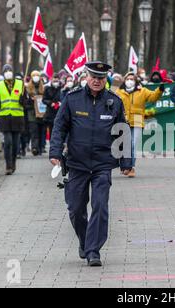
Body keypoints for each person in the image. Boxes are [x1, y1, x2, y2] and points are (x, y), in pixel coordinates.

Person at [50, 61, 132, 267]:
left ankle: (93, 251)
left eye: (101, 78)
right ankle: (85, 241)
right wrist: (55, 152)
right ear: (86, 77)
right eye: (94, 77)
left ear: (106, 80)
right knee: (76, 209)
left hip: (102, 164)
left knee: (100, 206)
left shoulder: (114, 102)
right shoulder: (72, 99)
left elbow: (122, 131)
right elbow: (59, 127)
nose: (97, 81)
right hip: (77, 163)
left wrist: (126, 161)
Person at [116, 72, 164, 178]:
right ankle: (124, 166)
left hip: (137, 119)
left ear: (136, 80)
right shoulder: (119, 92)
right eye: (127, 79)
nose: (129, 81)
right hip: (124, 120)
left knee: (133, 144)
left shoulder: (142, 91)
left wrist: (160, 89)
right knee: (124, 145)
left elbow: (153, 97)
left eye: (132, 79)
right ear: (124, 80)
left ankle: (131, 167)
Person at [0, 64, 26, 175]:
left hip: (17, 118)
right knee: (8, 142)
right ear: (3, 73)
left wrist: (23, 100)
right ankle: (8, 165)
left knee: (16, 144)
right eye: (6, 70)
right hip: (5, 118)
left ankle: (13, 163)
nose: (8, 72)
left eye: (9, 70)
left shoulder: (21, 85)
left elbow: (26, 102)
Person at [25, 70, 46, 156]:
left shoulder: (43, 87)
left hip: (41, 113)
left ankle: (41, 147)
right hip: (32, 113)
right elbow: (25, 101)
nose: (36, 77)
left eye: (37, 75)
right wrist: (31, 100)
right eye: (34, 76)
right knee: (34, 131)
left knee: (41, 130)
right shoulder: (28, 88)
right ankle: (34, 147)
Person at [43, 73, 62, 141]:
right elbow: (44, 100)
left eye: (57, 81)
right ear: (51, 80)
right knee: (51, 131)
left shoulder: (61, 89)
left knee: (59, 131)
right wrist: (50, 103)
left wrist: (61, 103)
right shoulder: (47, 89)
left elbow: (64, 98)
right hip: (50, 113)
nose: (55, 83)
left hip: (59, 112)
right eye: (54, 81)